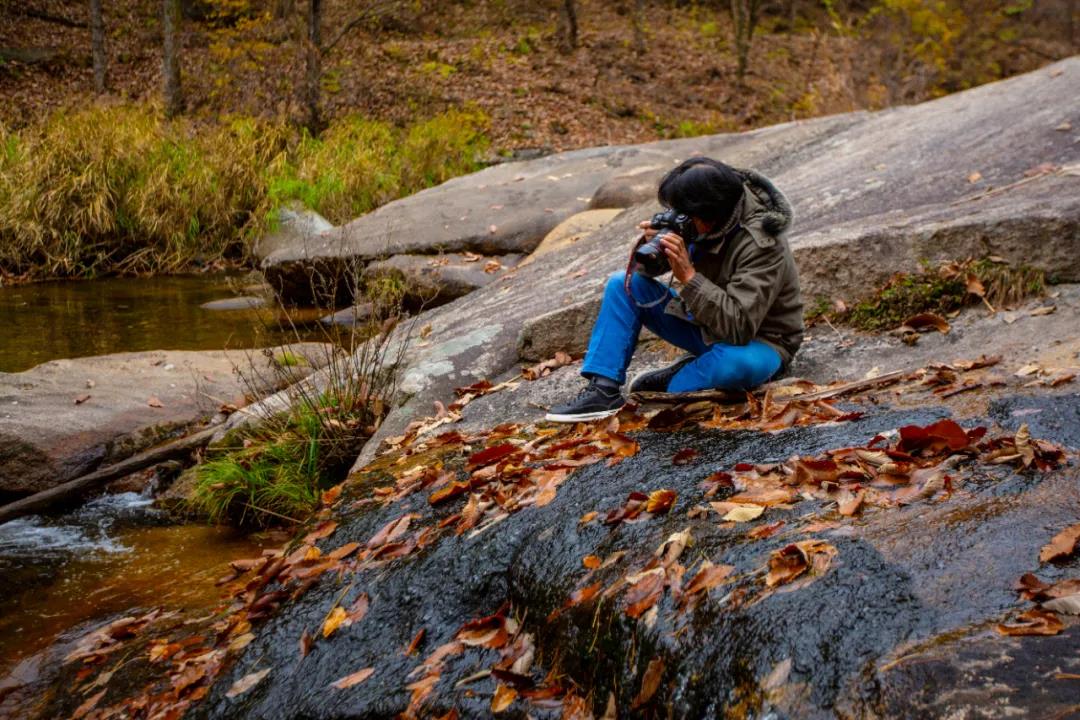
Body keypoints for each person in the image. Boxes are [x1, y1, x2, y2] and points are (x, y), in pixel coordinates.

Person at [545, 157, 803, 422]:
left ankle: (675, 383)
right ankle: (603, 390)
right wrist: (653, 247)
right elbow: (644, 274)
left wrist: (689, 277)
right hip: (705, 325)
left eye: (685, 214)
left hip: (759, 342)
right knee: (623, 284)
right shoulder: (701, 217)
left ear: (710, 217)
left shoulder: (762, 242)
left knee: (731, 365)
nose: (679, 218)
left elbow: (739, 328)